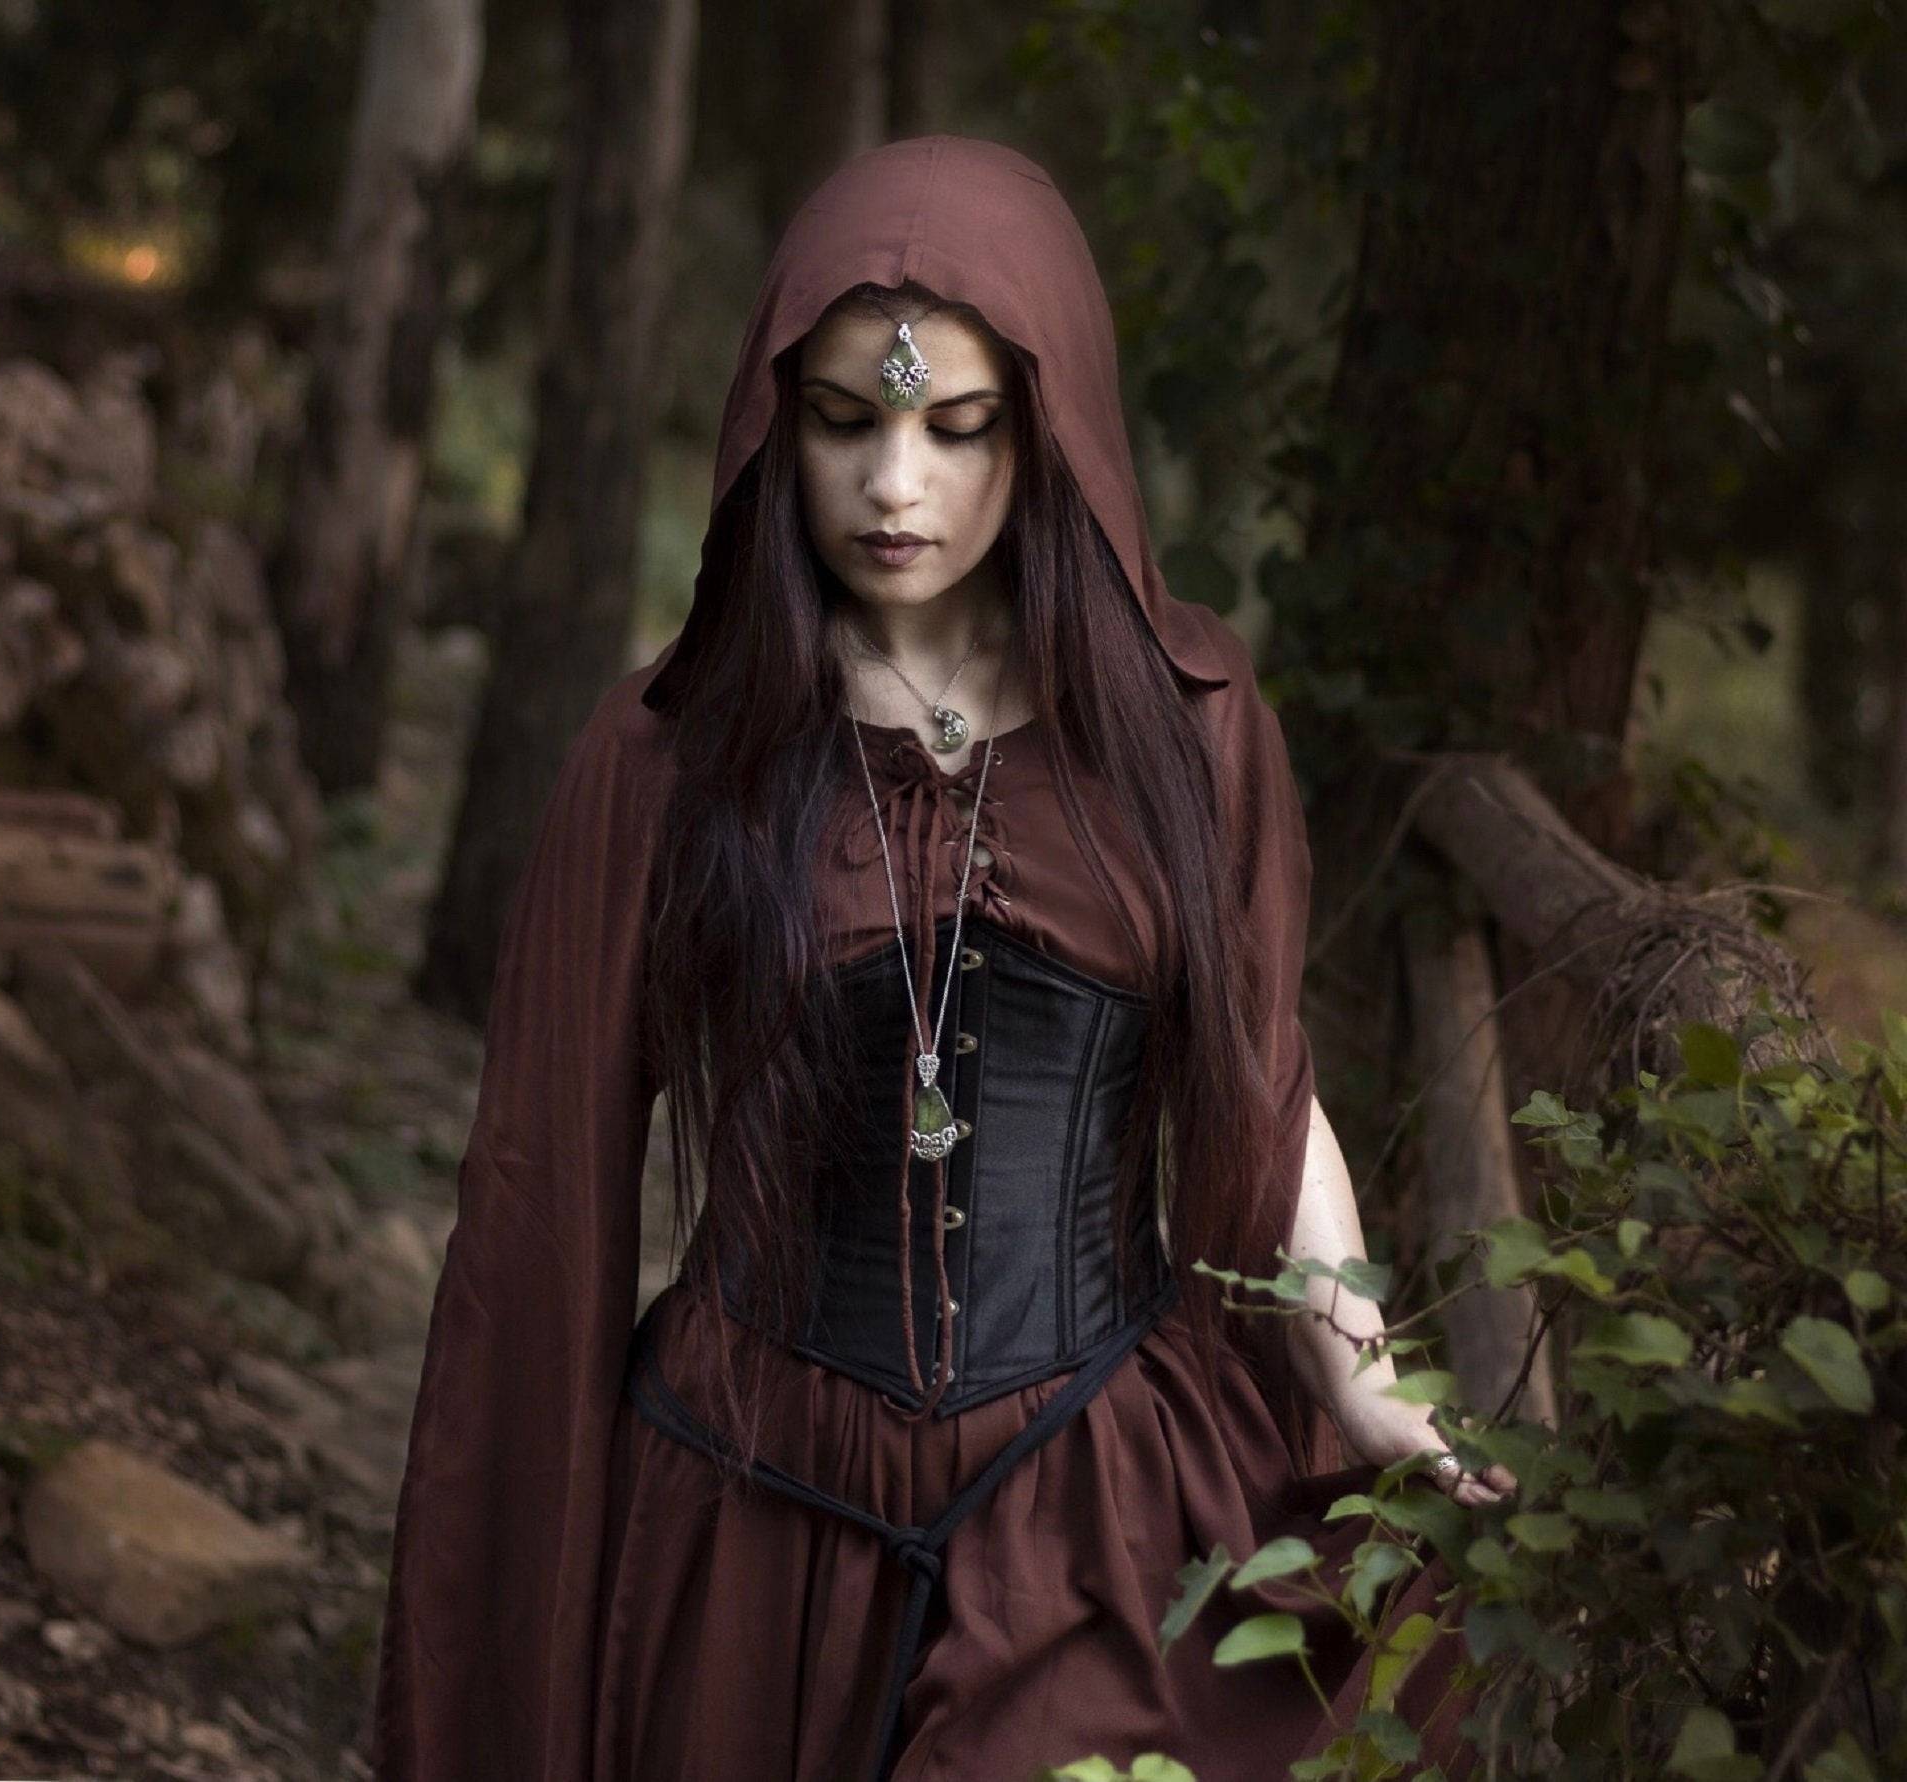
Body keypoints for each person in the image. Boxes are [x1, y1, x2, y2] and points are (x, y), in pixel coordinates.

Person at [370, 134, 1516, 1782]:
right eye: (844, 421)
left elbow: (1267, 1077)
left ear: (1049, 432)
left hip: (1087, 1493)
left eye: (957, 426)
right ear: (776, 424)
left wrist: (1362, 1378)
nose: (895, 486)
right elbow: (539, 1186)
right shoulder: (664, 758)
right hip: (754, 1510)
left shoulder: (1187, 736)